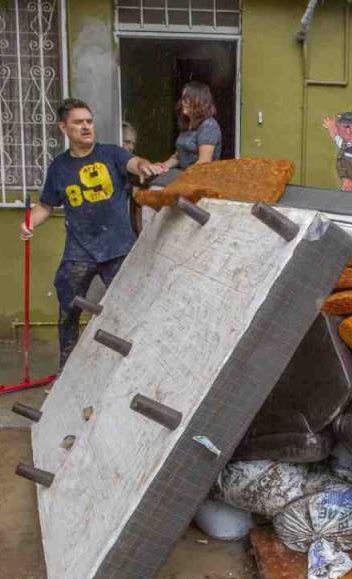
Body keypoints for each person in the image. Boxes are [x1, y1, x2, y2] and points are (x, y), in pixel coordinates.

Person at [19, 98, 166, 371]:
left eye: (89, 121)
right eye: (78, 122)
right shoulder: (59, 168)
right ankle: (67, 372)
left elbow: (134, 162)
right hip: (79, 251)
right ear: (64, 127)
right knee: (68, 312)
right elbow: (44, 207)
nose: (86, 127)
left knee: (131, 308)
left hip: (118, 248)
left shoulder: (111, 154)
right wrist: (29, 222)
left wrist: (145, 166)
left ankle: (137, 368)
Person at [157, 82, 222, 172]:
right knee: (153, 182)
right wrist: (161, 167)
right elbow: (178, 156)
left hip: (199, 178)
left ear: (199, 101)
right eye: (183, 99)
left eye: (187, 99)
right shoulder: (187, 124)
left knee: (159, 185)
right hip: (183, 173)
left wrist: (182, 178)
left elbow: (204, 162)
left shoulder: (209, 126)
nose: (183, 102)